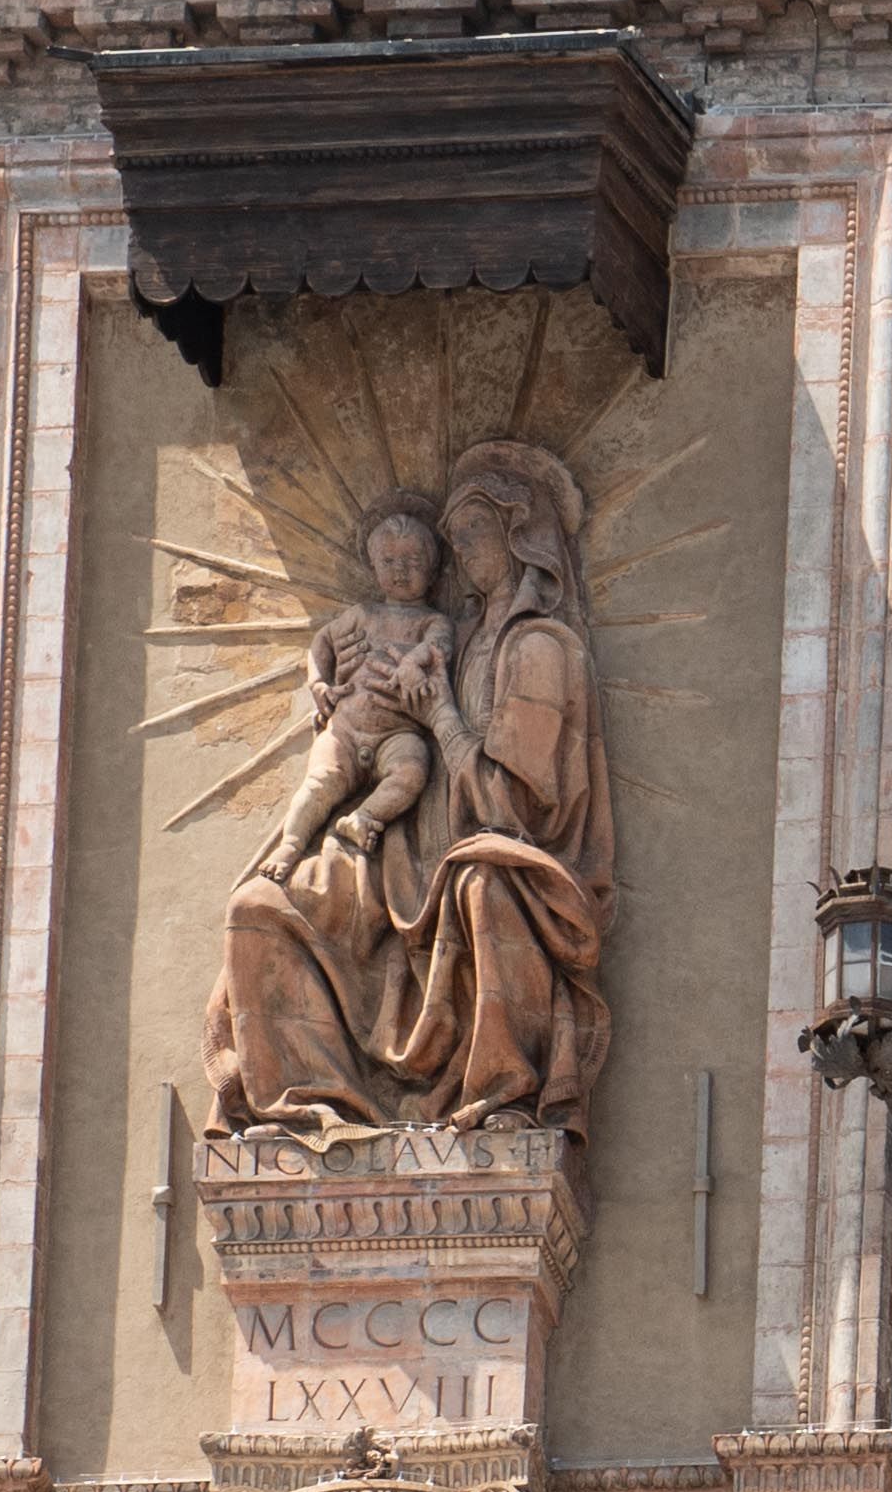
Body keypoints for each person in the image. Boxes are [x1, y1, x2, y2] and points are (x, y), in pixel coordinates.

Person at [204, 435, 613, 1145]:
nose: (457, 555)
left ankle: (500, 1091)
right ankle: (304, 1104)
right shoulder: (459, 636)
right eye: (452, 540)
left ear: (521, 537)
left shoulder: (539, 649)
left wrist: (438, 715)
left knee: (483, 882)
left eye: (471, 536)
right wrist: (338, 694)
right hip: (398, 855)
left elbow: (510, 809)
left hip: (501, 868)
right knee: (257, 906)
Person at [246, 501, 454, 891]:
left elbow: (439, 647)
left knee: (412, 771)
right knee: (319, 783)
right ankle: (290, 844)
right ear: (374, 568)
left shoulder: (432, 620)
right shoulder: (363, 614)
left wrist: (414, 662)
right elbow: (321, 642)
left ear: (432, 569)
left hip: (398, 732)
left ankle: (362, 817)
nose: (400, 570)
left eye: (412, 560)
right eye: (389, 561)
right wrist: (318, 684)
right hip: (345, 729)